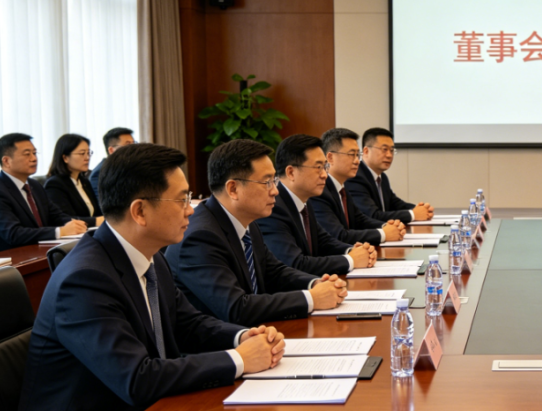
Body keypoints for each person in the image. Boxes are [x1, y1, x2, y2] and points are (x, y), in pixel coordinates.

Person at [17, 143, 295, 411]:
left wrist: (243, 337)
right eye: (181, 200)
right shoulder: (85, 279)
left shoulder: (149, 256)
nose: (191, 210)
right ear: (140, 211)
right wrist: (240, 360)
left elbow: (189, 323)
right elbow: (137, 377)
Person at [165, 139, 349, 326]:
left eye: (274, 181)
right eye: (266, 182)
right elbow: (237, 308)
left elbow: (274, 272)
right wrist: (311, 298)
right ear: (233, 189)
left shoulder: (247, 222)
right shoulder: (200, 238)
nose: (275, 191)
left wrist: (315, 283)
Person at [258, 134, 376, 276]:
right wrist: (351, 260)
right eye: (318, 167)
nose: (324, 175)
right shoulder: (274, 208)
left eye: (325, 167)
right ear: (291, 172)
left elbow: (323, 241)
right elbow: (295, 263)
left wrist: (352, 250)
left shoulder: (304, 200)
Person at [311, 128, 406, 245]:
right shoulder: (319, 192)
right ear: (330, 158)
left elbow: (360, 220)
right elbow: (338, 235)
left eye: (357, 155)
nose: (357, 161)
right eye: (352, 154)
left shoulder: (341, 188)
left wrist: (387, 226)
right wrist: (384, 234)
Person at [0, 133, 86, 252]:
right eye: (27, 154)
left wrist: (77, 225)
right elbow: (13, 233)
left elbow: (57, 216)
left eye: (34, 153)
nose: (34, 158)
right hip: (12, 257)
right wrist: (60, 231)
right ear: (6, 161)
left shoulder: (34, 185)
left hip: (40, 251)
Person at [345, 127, 433, 224]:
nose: (389, 155)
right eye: (384, 149)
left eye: (391, 150)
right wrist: (413, 214)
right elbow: (372, 215)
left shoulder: (382, 177)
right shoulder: (355, 177)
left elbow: (394, 203)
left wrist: (419, 209)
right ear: (366, 151)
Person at [43, 133, 104, 227]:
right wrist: (96, 221)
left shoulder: (84, 182)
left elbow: (97, 213)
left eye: (88, 153)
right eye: (82, 153)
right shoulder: (55, 184)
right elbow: (63, 219)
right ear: (65, 158)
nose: (87, 158)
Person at [88, 126, 135, 196]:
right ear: (111, 150)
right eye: (128, 145)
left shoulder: (133, 167)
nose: (134, 148)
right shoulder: (99, 174)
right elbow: (102, 201)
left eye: (134, 143)